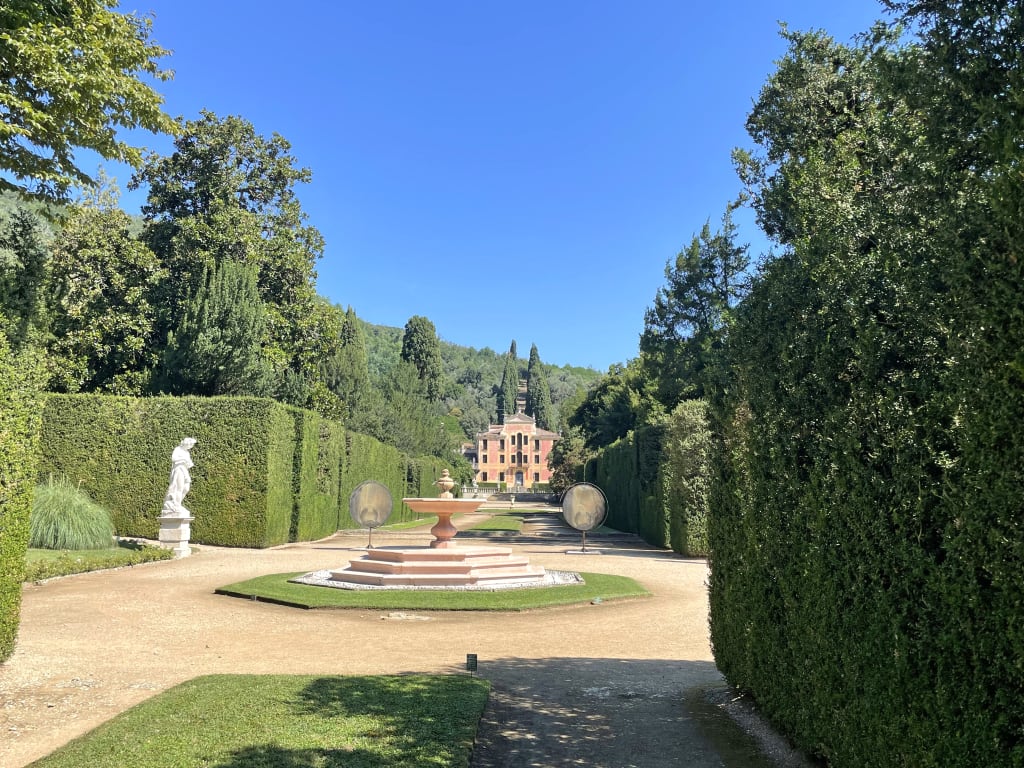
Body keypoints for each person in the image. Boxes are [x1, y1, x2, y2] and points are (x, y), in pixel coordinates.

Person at [161, 437, 197, 517]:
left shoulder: (187, 452)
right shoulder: (178, 449)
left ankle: (177, 503)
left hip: (184, 470)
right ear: (186, 443)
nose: (190, 446)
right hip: (178, 469)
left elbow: (190, 463)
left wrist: (188, 463)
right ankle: (176, 505)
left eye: (191, 445)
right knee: (179, 488)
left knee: (186, 488)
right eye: (190, 444)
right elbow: (174, 459)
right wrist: (183, 459)